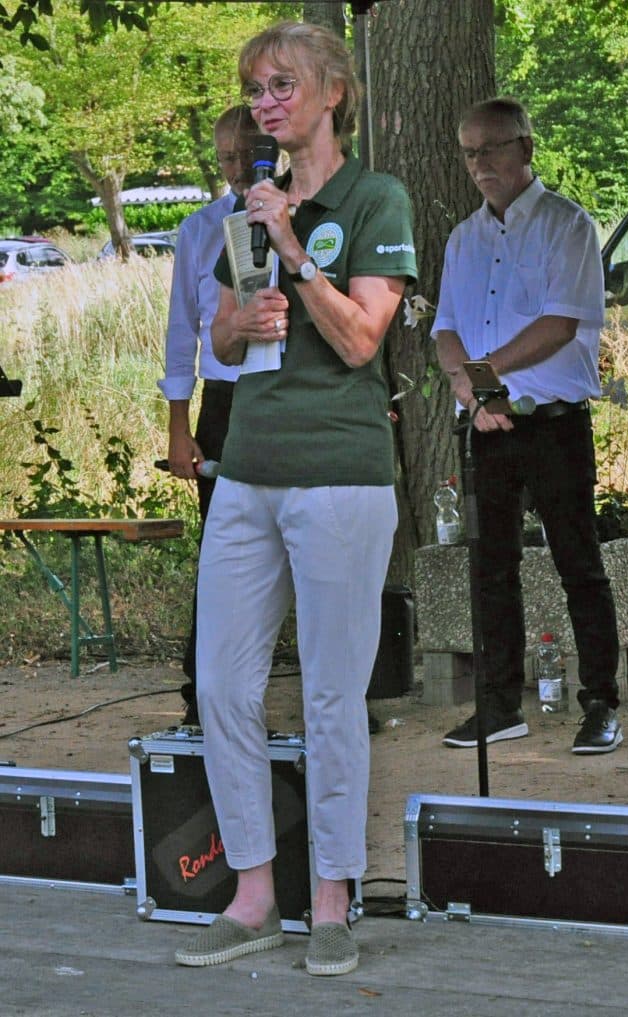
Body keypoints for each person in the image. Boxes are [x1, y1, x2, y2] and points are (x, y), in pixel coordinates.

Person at [173, 21, 416, 976]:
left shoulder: (375, 197)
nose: (266, 102)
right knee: (225, 685)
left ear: (332, 95)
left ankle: (332, 901)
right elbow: (225, 344)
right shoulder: (249, 204)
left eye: (282, 85)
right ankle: (254, 892)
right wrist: (239, 317)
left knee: (328, 693)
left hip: (341, 477)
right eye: (256, 88)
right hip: (247, 472)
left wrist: (296, 253)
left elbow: (362, 341)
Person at [432, 97, 622, 756]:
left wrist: (484, 373)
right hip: (487, 424)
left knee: (579, 563)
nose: (480, 163)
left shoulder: (567, 226)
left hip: (552, 421)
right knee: (490, 567)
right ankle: (499, 701)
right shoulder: (463, 238)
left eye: (492, 148)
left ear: (526, 148)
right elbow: (446, 329)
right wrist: (474, 390)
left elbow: (559, 324)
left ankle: (599, 701)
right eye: (469, 151)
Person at [158, 105, 257, 726]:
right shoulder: (199, 230)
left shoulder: (301, 217)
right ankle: (202, 693)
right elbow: (181, 332)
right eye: (228, 156)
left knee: (303, 543)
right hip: (223, 403)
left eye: (250, 152)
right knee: (223, 550)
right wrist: (178, 424)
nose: (240, 166)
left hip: (288, 396)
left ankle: (328, 691)